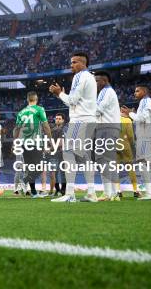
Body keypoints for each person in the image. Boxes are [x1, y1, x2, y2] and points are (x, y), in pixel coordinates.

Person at [49, 52, 98, 203]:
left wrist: (59, 94)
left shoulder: (80, 76)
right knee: (84, 157)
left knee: (69, 153)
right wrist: (63, 95)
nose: (72, 65)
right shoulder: (90, 77)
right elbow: (74, 101)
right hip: (88, 119)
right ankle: (91, 192)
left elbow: (72, 100)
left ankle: (70, 193)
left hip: (79, 120)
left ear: (84, 64)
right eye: (71, 62)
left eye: (75, 62)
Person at [13, 92, 52, 198]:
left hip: (24, 143)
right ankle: (23, 180)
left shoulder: (21, 112)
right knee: (40, 167)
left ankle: (34, 193)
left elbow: (16, 129)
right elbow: (46, 126)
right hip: (35, 142)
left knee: (30, 168)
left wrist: (14, 142)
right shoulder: (39, 109)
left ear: (27, 99)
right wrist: (50, 139)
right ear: (37, 99)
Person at [121, 85, 151, 200]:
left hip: (147, 137)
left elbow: (142, 118)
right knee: (148, 165)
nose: (135, 93)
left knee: (144, 165)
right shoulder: (144, 102)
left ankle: (150, 193)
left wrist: (130, 114)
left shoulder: (147, 102)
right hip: (146, 136)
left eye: (137, 91)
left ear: (144, 91)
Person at [94, 71, 121, 202]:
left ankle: (107, 193)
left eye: (97, 81)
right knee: (109, 161)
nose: (95, 83)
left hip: (106, 128)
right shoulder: (108, 92)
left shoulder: (105, 92)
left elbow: (98, 110)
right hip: (111, 128)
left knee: (103, 160)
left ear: (104, 81)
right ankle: (114, 193)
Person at [116, 111, 140, 198]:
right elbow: (130, 136)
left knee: (115, 169)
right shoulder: (127, 120)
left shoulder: (112, 119)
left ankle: (118, 191)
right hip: (125, 146)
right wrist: (132, 144)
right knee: (130, 168)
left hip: (114, 145)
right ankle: (135, 190)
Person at [50, 113, 66, 197]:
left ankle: (63, 190)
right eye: (56, 118)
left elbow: (61, 143)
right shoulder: (53, 129)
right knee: (54, 173)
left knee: (63, 172)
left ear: (63, 120)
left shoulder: (64, 129)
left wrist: (50, 148)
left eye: (59, 118)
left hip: (62, 153)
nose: (57, 120)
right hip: (54, 153)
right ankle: (57, 189)